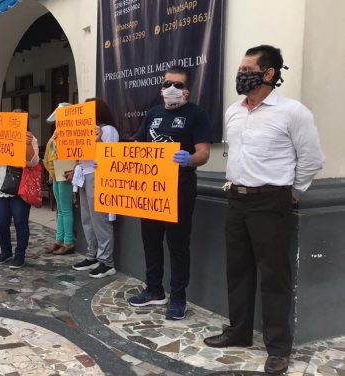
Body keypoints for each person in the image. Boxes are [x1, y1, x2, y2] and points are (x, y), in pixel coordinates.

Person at [203, 45, 324, 375]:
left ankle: (278, 348)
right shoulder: (234, 112)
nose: (241, 74)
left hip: (271, 201)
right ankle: (239, 332)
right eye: (240, 69)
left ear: (268, 73)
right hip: (236, 200)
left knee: (274, 276)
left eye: (247, 69)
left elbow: (312, 159)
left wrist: (292, 192)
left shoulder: (292, 112)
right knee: (237, 269)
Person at [127, 65, 212, 320]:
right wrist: (109, 161)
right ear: (160, 88)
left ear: (187, 91)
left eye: (178, 85)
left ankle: (177, 297)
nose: (171, 89)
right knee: (150, 241)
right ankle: (154, 290)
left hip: (179, 189)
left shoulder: (196, 114)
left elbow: (204, 153)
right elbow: (137, 146)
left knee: (177, 244)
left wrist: (189, 159)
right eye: (167, 84)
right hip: (150, 189)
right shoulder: (153, 113)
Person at [71, 98, 119, 278]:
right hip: (83, 175)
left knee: (100, 220)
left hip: (97, 176)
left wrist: (98, 140)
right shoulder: (86, 130)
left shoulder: (108, 131)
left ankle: (107, 262)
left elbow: (110, 156)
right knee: (87, 219)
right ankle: (92, 255)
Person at [0, 110, 39, 269]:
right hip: (2, 186)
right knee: (0, 222)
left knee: (20, 222)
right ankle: (6, 251)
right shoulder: (0, 137)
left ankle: (20, 255)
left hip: (20, 188)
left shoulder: (31, 138)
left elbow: (33, 162)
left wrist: (27, 144)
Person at [44, 102, 75, 255]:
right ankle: (59, 240)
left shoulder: (73, 131)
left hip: (65, 172)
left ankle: (68, 242)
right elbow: (50, 151)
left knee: (66, 209)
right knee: (61, 210)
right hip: (56, 172)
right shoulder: (57, 131)